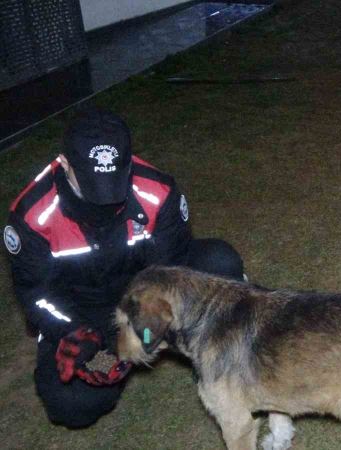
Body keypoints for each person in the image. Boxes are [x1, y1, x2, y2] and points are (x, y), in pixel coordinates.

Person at [3, 109, 246, 428]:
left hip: (145, 293)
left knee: (218, 262)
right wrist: (72, 331)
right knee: (72, 406)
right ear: (64, 164)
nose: (105, 199)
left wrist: (141, 334)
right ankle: (104, 352)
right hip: (84, 309)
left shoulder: (158, 192)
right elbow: (36, 294)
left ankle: (223, 348)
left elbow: (171, 272)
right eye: (92, 184)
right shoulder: (33, 216)